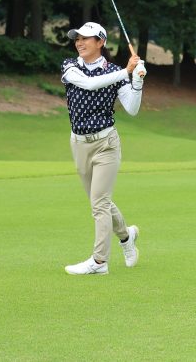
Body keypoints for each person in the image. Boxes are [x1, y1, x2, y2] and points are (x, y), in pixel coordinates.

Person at [61, 21, 146, 276]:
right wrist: (126, 72)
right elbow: (89, 84)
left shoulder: (115, 72)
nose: (79, 42)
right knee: (101, 201)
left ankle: (99, 262)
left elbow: (132, 108)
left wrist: (137, 80)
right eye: (77, 38)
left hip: (106, 144)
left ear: (100, 42)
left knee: (99, 203)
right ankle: (126, 236)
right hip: (79, 144)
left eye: (85, 38)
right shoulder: (70, 66)